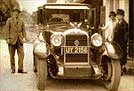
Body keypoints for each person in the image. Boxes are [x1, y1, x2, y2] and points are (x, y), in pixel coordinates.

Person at [5, 7, 27, 74]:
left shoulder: (21, 21)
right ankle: (13, 69)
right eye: (14, 12)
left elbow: (24, 30)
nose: (16, 13)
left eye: (17, 12)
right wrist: (7, 38)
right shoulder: (9, 20)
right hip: (12, 40)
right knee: (12, 55)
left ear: (19, 13)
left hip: (20, 40)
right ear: (13, 13)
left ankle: (20, 69)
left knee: (22, 55)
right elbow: (7, 30)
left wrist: (24, 38)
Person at [114, 9, 128, 74]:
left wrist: (123, 43)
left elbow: (125, 35)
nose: (117, 17)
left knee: (122, 56)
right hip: (117, 43)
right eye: (117, 15)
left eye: (119, 15)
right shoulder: (117, 23)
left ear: (122, 16)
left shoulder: (124, 24)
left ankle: (121, 69)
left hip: (122, 43)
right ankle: (119, 69)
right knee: (118, 55)